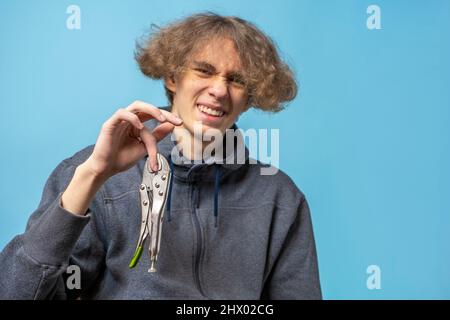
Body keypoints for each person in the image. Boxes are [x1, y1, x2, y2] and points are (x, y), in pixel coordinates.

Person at [0, 12, 322, 299]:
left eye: (236, 80)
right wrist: (92, 175)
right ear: (172, 78)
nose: (219, 90)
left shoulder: (281, 200)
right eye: (204, 71)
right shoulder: (94, 178)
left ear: (250, 98)